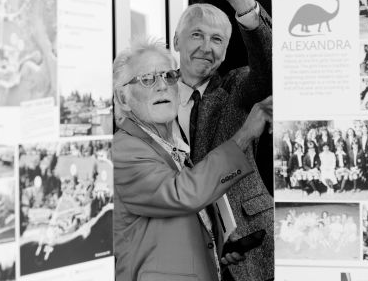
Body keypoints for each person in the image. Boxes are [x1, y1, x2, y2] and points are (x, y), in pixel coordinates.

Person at [112, 40, 272, 281]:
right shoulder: (123, 149)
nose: (162, 86)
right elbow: (182, 194)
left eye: (168, 76)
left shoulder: (170, 142)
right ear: (123, 98)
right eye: (147, 79)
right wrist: (244, 136)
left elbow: (173, 225)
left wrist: (218, 242)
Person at [173, 0, 273, 281]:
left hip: (248, 242)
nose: (206, 47)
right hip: (183, 243)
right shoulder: (150, 95)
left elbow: (268, 68)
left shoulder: (237, 88)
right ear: (177, 41)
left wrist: (244, 2)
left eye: (217, 40)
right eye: (197, 35)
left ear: (227, 51)